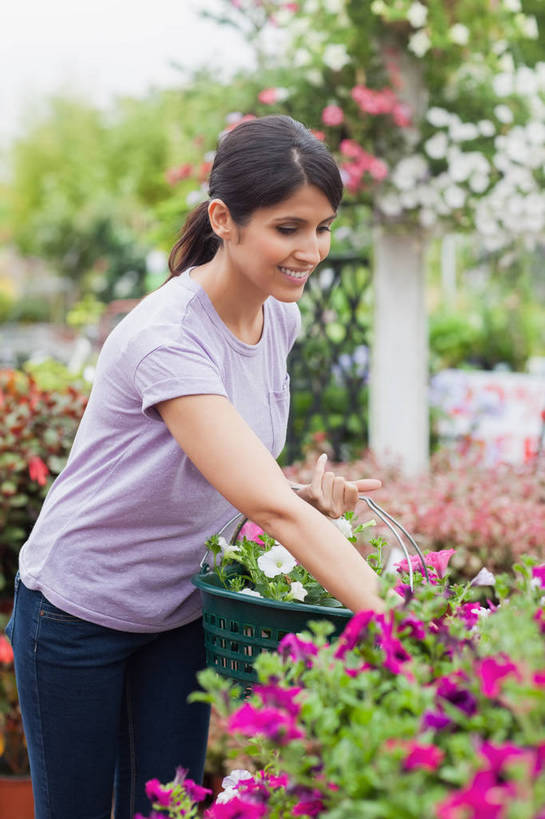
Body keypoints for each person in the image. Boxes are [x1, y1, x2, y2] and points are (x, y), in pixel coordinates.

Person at [6, 115, 386, 819]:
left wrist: (301, 494)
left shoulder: (280, 318)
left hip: (178, 608)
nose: (311, 250)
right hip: (78, 608)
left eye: (323, 227)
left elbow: (237, 475)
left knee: (168, 809)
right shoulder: (166, 337)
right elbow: (266, 506)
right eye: (288, 227)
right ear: (224, 219)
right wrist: (403, 622)